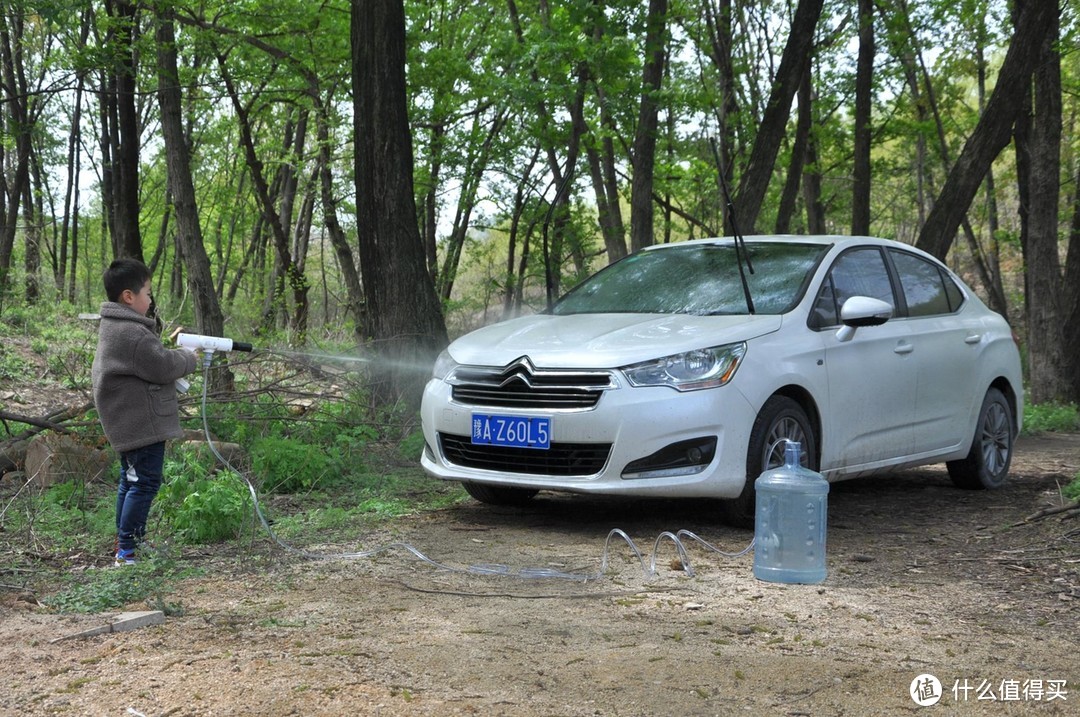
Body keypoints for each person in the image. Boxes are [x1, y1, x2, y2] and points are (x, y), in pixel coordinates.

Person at [91, 258, 197, 566]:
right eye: (147, 293)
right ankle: (127, 551)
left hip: (132, 423)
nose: (150, 299)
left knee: (132, 480)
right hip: (140, 426)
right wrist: (189, 358)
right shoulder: (131, 334)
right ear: (128, 296)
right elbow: (162, 365)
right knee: (143, 483)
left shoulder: (119, 328)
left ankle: (129, 544)